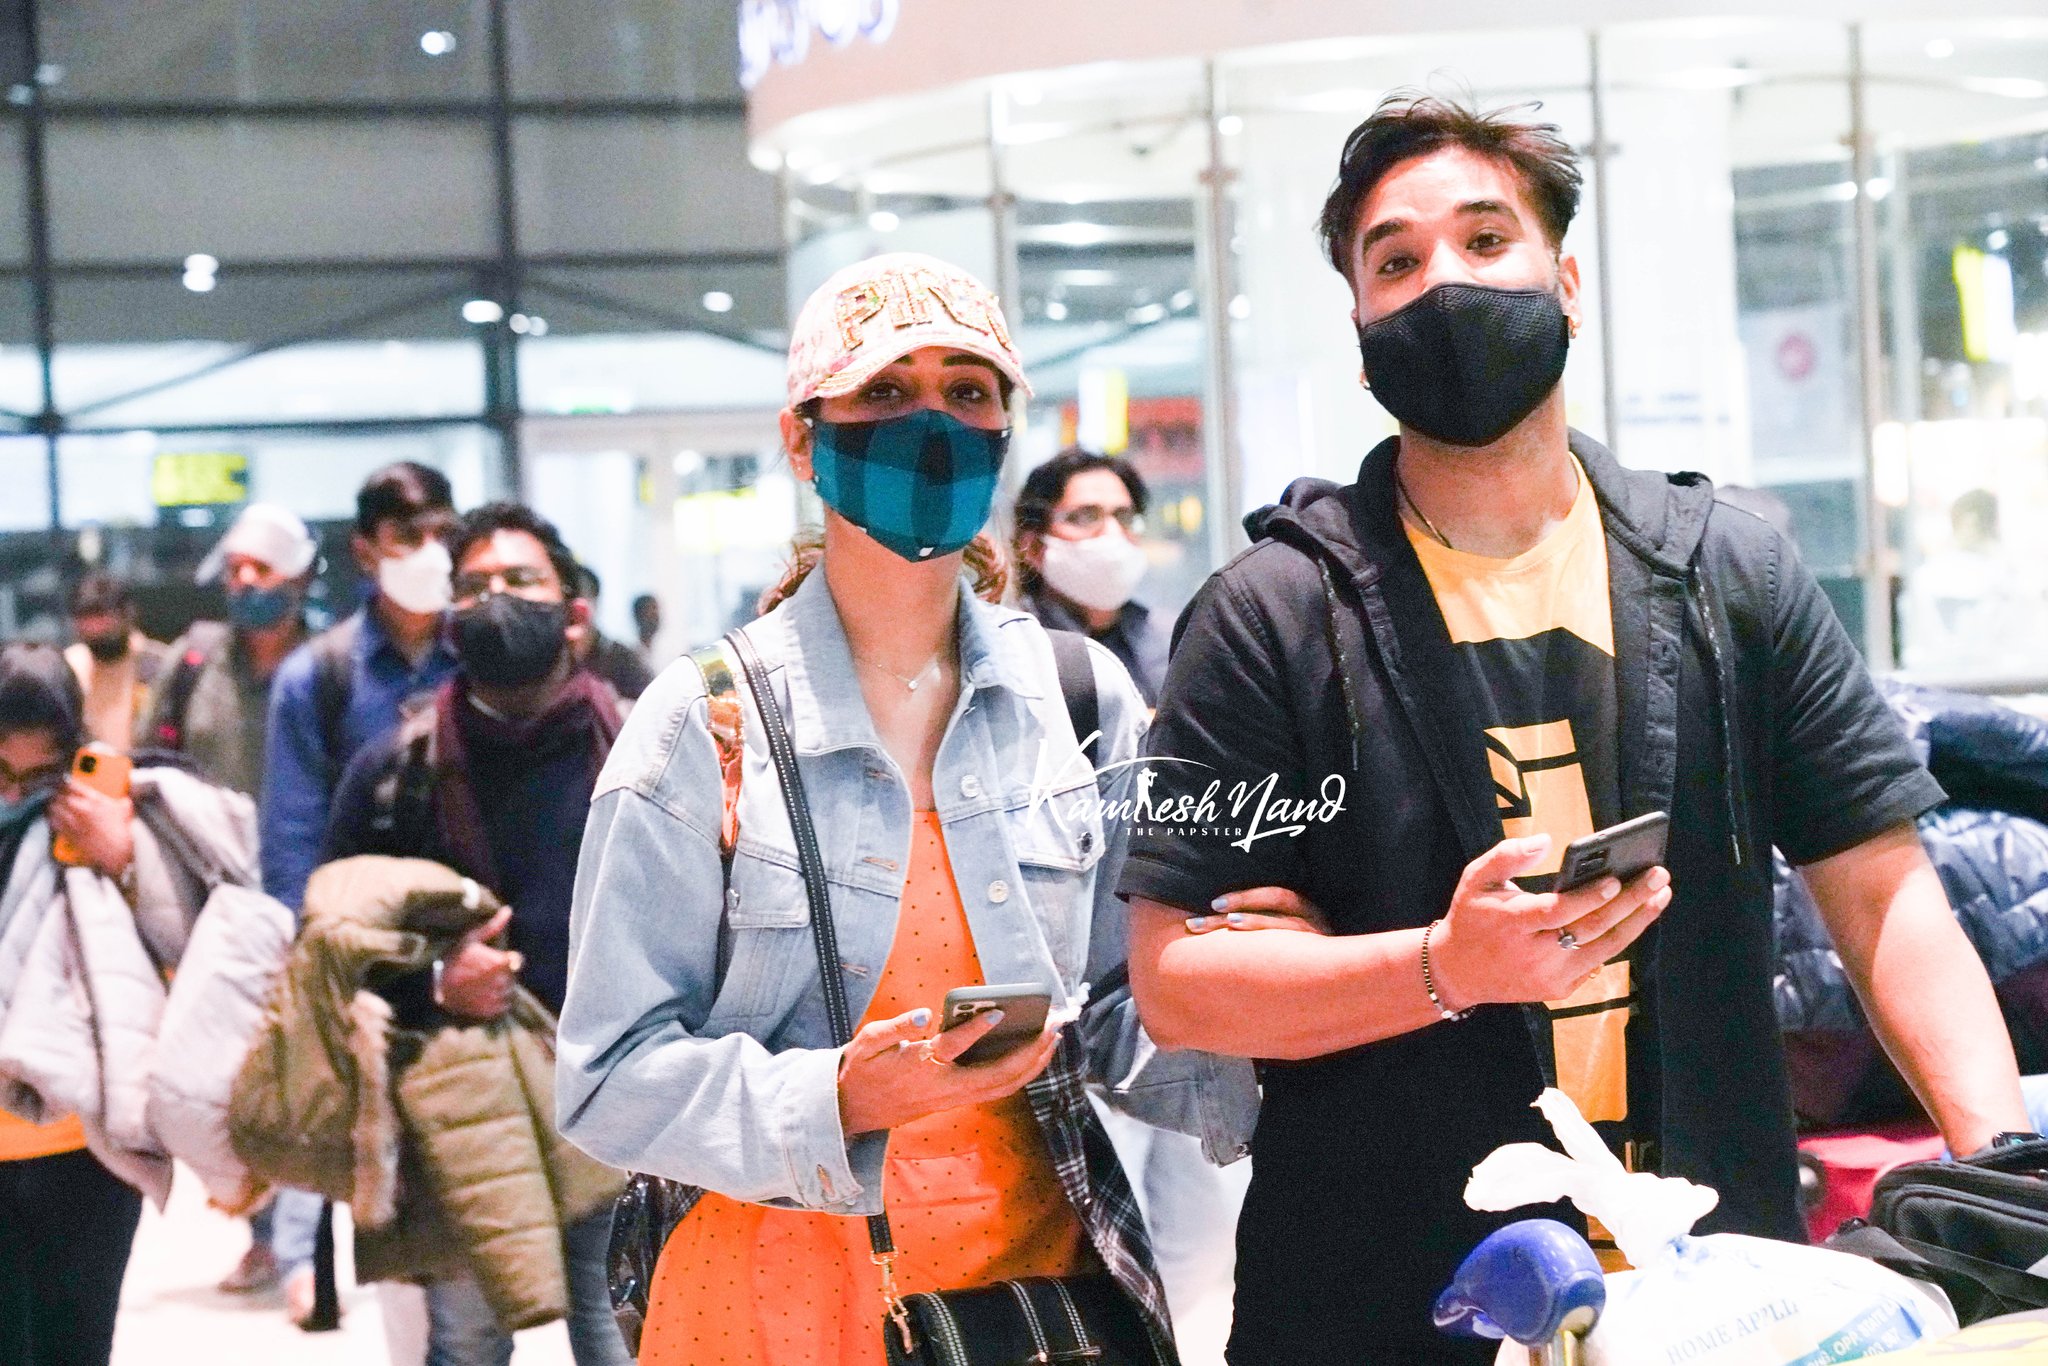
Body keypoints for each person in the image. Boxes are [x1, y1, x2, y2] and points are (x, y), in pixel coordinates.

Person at [1118, 94, 2030, 1364]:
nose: (1444, 280)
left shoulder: (1728, 573)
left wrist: (2003, 1174)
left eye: (1485, 239)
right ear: (1361, 331)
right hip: (1382, 1301)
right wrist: (1443, 964)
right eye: (1396, 261)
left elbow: (1882, 894)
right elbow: (1174, 983)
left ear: (1565, 282)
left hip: (1719, 1299)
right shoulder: (1266, 615)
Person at [555, 251, 1256, 1366]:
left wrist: (1264, 1002)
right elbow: (605, 1076)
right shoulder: (706, 726)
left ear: (1003, 429)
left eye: (965, 391)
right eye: (883, 391)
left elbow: (1125, 1010)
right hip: (763, 1307)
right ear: (802, 439)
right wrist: (838, 1093)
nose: (929, 424)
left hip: (1030, 1299)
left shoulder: (1078, 700)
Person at [323, 501, 629, 1366]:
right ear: (450, 618)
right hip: (466, 1109)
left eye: (520, 581)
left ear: (575, 613)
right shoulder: (395, 770)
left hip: (619, 1098)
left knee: (620, 1341)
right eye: (475, 586)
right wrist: (431, 983)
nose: (496, 600)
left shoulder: (648, 746)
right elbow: (330, 949)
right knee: (464, 1343)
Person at [258, 460, 459, 1326]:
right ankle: (313, 1265)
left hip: (468, 944)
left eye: (444, 533)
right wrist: (316, 959)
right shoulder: (322, 675)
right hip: (360, 947)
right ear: (366, 550)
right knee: (356, 1140)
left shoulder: (477, 652)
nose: (431, 552)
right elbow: (292, 834)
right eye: (409, 536)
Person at [0, 646, 145, 1366]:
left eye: (35, 780)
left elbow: (191, 957)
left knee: (76, 1349)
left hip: (82, 1147)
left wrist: (125, 860)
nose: (12, 797)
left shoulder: (115, 818)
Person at [1013, 448, 1170, 706]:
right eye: (1086, 516)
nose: (1113, 533)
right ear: (1033, 547)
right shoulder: (1014, 646)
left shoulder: (1173, 640)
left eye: (1124, 517)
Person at [65, 571, 169, 753]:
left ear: (126, 614)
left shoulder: (159, 663)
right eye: (86, 619)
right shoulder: (69, 666)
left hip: (149, 763)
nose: (95, 628)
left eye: (101, 616)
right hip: (90, 766)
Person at [572, 565, 655, 704]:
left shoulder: (621, 658)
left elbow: (651, 703)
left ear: (595, 603)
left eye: (580, 600)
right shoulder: (554, 657)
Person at [630, 592, 662, 666]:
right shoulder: (630, 651)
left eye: (656, 609)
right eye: (649, 611)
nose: (655, 615)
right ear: (638, 616)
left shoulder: (669, 649)